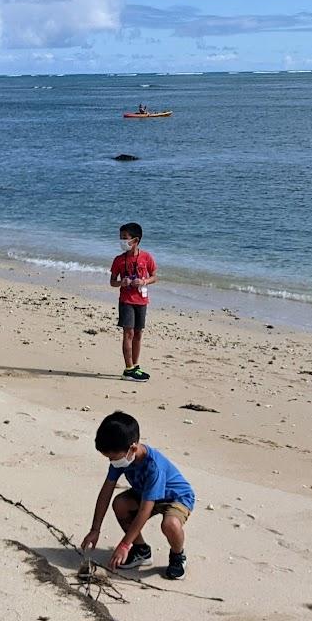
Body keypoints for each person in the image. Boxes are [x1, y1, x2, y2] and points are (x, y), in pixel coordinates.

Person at [80, 410, 192, 579]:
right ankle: (141, 551)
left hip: (175, 498)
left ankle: (178, 556)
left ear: (132, 448)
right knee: (120, 503)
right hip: (144, 493)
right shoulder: (121, 459)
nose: (111, 462)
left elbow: (145, 511)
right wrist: (95, 529)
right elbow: (106, 492)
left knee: (170, 525)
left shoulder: (153, 467)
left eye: (113, 458)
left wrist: (124, 544)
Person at [109, 222, 157, 381]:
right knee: (128, 333)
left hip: (141, 300)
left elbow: (154, 277)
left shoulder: (146, 257)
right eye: (120, 238)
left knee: (138, 334)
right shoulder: (118, 260)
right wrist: (121, 283)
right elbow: (112, 282)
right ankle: (128, 368)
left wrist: (144, 281)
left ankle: (135, 366)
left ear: (135, 240)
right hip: (126, 301)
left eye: (125, 238)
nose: (122, 241)